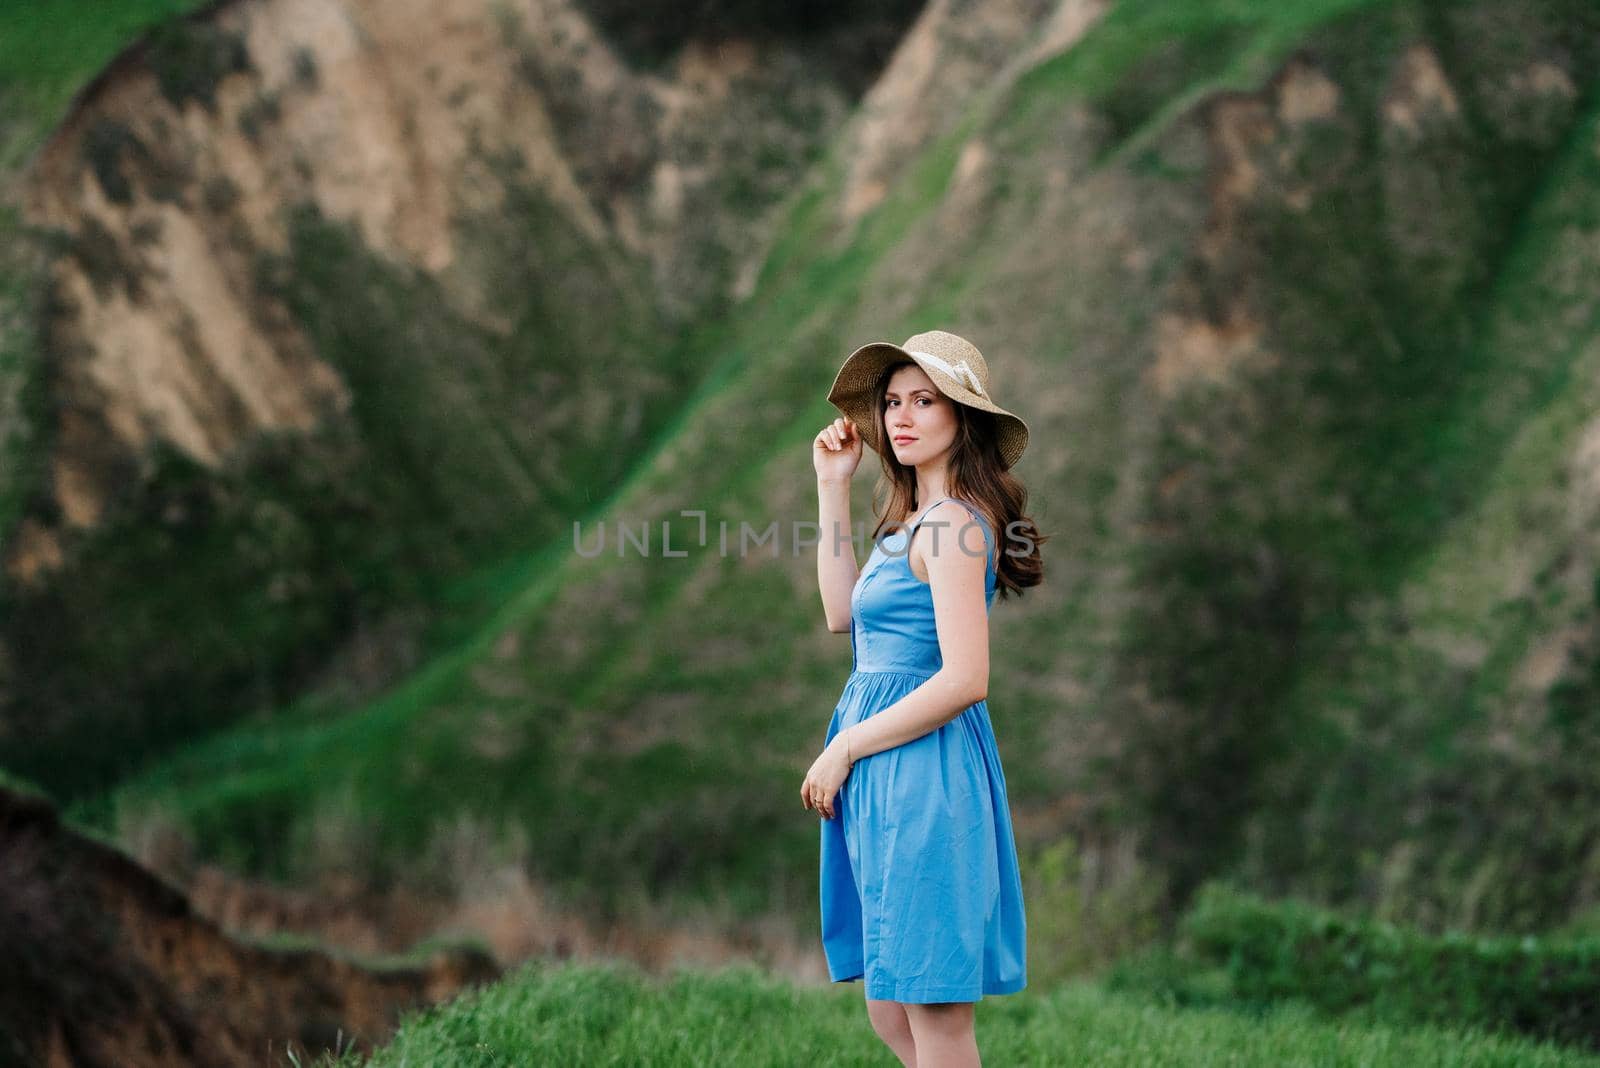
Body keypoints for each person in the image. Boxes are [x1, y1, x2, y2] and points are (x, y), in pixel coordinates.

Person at [803, 329, 1047, 1067]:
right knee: (892, 1011)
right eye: (893, 402)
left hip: (923, 774)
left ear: (961, 419)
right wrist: (832, 486)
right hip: (886, 775)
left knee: (935, 1019)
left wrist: (844, 745)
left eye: (924, 401)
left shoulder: (954, 527)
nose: (901, 417)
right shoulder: (911, 524)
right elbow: (841, 614)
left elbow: (966, 678)